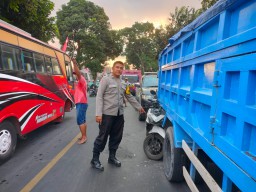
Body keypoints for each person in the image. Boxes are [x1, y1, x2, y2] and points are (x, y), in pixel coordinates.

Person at [91, 61, 145, 171]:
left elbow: (129, 96)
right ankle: (95, 159)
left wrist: (138, 107)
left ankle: (112, 157)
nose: (119, 69)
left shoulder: (123, 83)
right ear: (113, 68)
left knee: (116, 137)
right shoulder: (106, 80)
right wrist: (98, 114)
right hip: (107, 115)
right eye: (117, 67)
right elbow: (99, 96)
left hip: (119, 115)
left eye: (121, 68)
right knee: (102, 138)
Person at [72, 58, 88, 144]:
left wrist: (74, 64)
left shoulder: (81, 80)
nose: (74, 75)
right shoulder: (78, 83)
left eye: (75, 74)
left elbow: (78, 73)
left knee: (80, 120)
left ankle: (84, 137)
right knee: (83, 120)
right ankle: (83, 135)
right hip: (81, 103)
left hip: (81, 103)